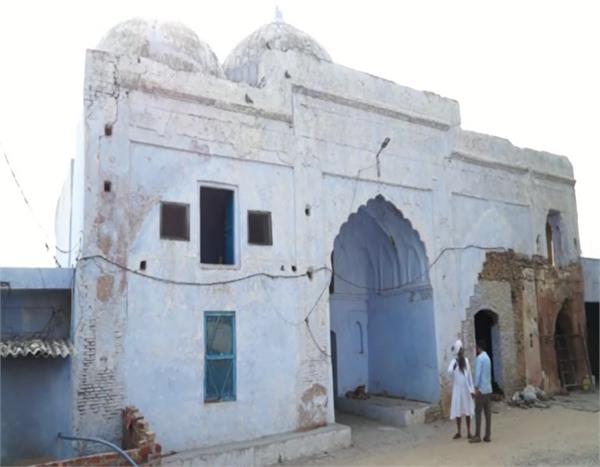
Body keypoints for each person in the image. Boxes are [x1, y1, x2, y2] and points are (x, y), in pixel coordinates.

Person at [448, 339, 475, 439]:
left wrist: (472, 390)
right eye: (460, 350)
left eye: (462, 350)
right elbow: (449, 371)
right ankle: (459, 432)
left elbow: (469, 377)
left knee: (468, 410)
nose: (462, 352)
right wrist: (455, 365)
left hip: (466, 389)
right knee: (458, 410)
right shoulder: (453, 362)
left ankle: (468, 432)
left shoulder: (466, 361)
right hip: (457, 389)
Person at [470, 340, 492, 443]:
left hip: (481, 390)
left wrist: (476, 388)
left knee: (478, 412)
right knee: (487, 413)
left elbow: (478, 375)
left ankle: (477, 435)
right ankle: (487, 435)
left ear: (479, 348)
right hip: (488, 389)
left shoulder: (479, 359)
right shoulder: (487, 358)